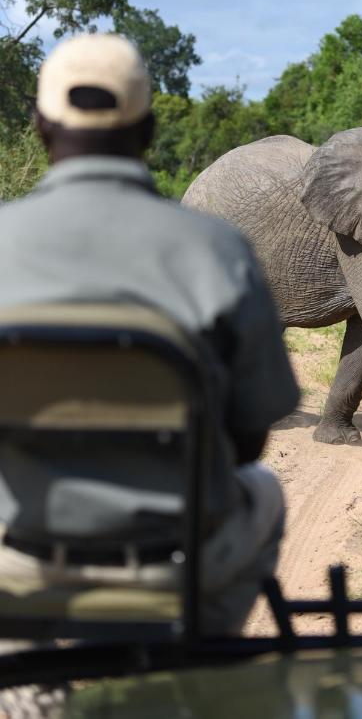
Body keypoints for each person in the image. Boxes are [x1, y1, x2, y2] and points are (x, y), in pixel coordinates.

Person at [0, 34, 299, 634]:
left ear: (39, 125)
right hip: (175, 569)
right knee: (264, 491)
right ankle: (197, 658)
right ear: (149, 130)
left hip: (20, 561)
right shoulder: (216, 250)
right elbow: (248, 439)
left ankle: (27, 655)